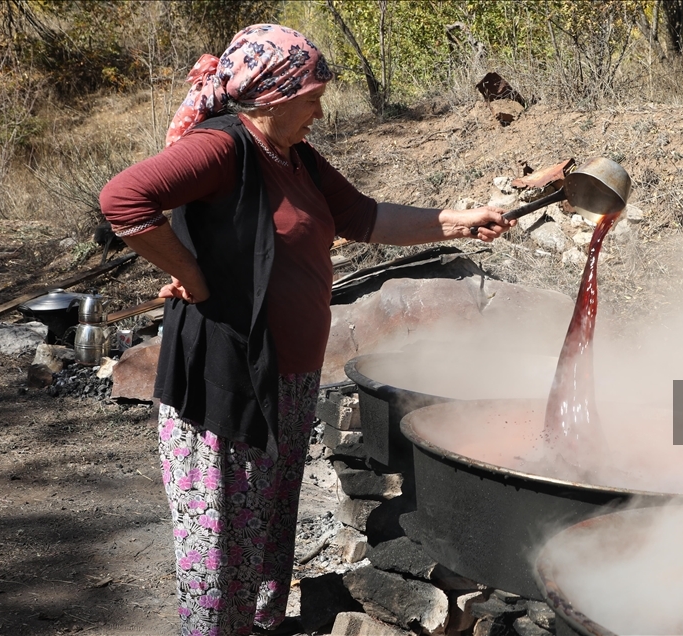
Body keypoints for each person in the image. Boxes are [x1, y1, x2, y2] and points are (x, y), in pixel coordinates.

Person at [99, 24, 512, 636]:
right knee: (221, 549)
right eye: (312, 95)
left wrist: (457, 220)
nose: (320, 108)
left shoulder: (296, 158)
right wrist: (188, 271)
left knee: (266, 533)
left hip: (287, 378)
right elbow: (123, 199)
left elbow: (366, 217)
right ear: (273, 96)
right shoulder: (224, 149)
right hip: (227, 379)